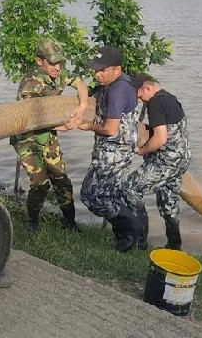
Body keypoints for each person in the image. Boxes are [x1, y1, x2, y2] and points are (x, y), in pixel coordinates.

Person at [10, 39, 89, 231]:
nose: (58, 67)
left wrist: (83, 105)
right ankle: (32, 224)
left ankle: (70, 224)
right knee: (41, 184)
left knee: (62, 180)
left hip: (48, 136)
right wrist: (63, 126)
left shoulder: (59, 74)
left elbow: (79, 83)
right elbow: (36, 117)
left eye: (60, 62)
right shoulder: (31, 84)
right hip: (27, 139)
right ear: (39, 61)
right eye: (53, 63)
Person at [78, 46, 143, 252]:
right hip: (117, 151)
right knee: (105, 195)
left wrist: (88, 126)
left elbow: (110, 128)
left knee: (93, 198)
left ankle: (132, 227)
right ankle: (127, 237)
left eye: (102, 70)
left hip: (114, 153)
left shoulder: (116, 91)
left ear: (117, 69)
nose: (97, 74)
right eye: (96, 70)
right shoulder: (121, 83)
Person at [123, 73, 191, 251]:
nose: (138, 100)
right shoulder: (170, 98)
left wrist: (142, 150)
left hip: (165, 161)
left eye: (139, 95)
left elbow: (160, 138)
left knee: (130, 188)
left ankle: (139, 242)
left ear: (148, 88)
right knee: (168, 202)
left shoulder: (155, 104)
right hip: (180, 160)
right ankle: (174, 245)